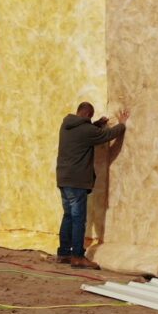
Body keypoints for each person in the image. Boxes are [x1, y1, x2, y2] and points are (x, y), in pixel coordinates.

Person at [55, 102, 130, 269]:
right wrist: (123, 124)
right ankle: (77, 257)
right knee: (78, 219)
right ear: (89, 115)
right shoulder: (87, 131)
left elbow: (86, 131)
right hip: (77, 181)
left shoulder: (66, 125)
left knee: (68, 216)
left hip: (63, 179)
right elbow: (107, 135)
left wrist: (97, 123)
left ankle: (63, 253)